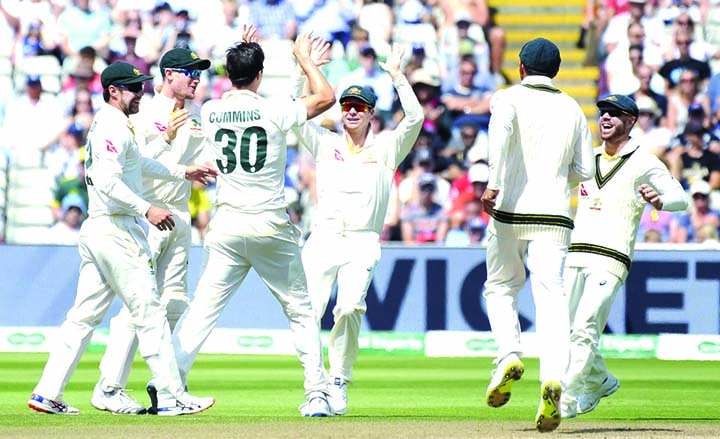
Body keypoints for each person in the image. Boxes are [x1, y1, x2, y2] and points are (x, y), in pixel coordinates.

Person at [27, 61, 217, 416]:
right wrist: (147, 209)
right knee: (149, 312)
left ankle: (46, 393)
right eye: (133, 88)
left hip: (100, 229)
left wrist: (183, 171)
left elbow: (140, 163)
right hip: (117, 230)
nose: (140, 94)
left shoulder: (116, 124)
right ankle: (173, 396)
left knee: (83, 317)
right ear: (113, 91)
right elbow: (110, 182)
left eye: (142, 86)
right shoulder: (113, 126)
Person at [171, 29, 337, 417]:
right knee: (300, 309)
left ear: (229, 75)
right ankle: (316, 393)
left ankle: (169, 382)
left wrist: (239, 48)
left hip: (227, 226)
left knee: (202, 311)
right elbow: (325, 98)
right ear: (260, 75)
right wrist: (305, 59)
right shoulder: (273, 109)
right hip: (269, 225)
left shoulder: (211, 111)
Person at [292, 42, 423, 415]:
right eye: (346, 106)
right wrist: (303, 68)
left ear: (371, 114)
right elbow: (291, 116)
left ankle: (338, 382)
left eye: (359, 107)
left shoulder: (387, 148)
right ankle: (314, 388)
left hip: (363, 239)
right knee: (308, 313)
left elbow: (414, 119)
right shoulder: (325, 143)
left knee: (349, 308)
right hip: (324, 236)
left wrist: (398, 76)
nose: (351, 112)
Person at [480, 38, 595, 433]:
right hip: (554, 215)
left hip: (509, 210)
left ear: (521, 67)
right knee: (552, 298)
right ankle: (554, 380)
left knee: (500, 286)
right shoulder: (572, 107)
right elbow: (584, 170)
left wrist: (495, 183)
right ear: (558, 70)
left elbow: (500, 135)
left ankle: (509, 354)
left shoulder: (507, 97)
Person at [92, 47, 213, 415]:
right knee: (139, 307)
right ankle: (109, 386)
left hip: (179, 214)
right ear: (168, 74)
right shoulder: (142, 111)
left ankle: (164, 386)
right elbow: (134, 167)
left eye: (199, 72)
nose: (196, 78)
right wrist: (167, 140)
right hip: (149, 216)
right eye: (189, 72)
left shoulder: (195, 114)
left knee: (174, 302)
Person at [561, 94, 688, 418]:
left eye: (614, 114)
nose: (605, 118)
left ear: (631, 121)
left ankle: (564, 399)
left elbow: (680, 196)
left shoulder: (644, 160)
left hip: (611, 256)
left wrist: (660, 201)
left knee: (585, 326)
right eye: (603, 112)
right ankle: (600, 379)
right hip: (577, 253)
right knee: (567, 330)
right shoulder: (589, 159)